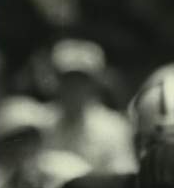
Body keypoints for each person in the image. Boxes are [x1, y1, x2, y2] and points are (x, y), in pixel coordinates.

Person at [44, 39, 137, 174]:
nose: (74, 88)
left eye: (82, 81)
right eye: (68, 80)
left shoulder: (115, 128)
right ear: (56, 82)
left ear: (95, 84)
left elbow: (121, 181)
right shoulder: (41, 122)